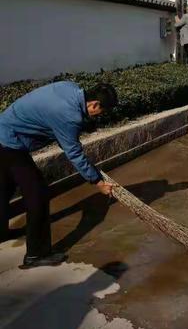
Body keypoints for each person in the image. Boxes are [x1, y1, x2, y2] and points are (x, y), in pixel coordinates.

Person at [0, 82, 118, 268]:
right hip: (9, 143)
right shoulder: (69, 115)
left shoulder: (69, 88)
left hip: (3, 130)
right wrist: (97, 181)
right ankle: (36, 254)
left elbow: (62, 136)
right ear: (94, 104)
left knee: (4, 188)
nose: (100, 115)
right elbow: (74, 153)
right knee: (37, 194)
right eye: (102, 111)